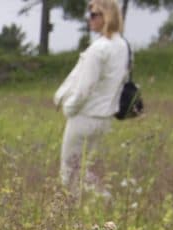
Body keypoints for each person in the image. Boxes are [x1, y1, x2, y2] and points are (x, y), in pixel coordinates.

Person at [53, 0, 128, 195]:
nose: (90, 19)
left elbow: (84, 88)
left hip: (85, 116)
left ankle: (79, 210)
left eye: (95, 14)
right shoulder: (121, 46)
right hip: (104, 118)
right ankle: (102, 201)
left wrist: (69, 108)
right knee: (82, 169)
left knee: (69, 172)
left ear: (107, 16)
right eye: (90, 14)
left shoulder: (98, 49)